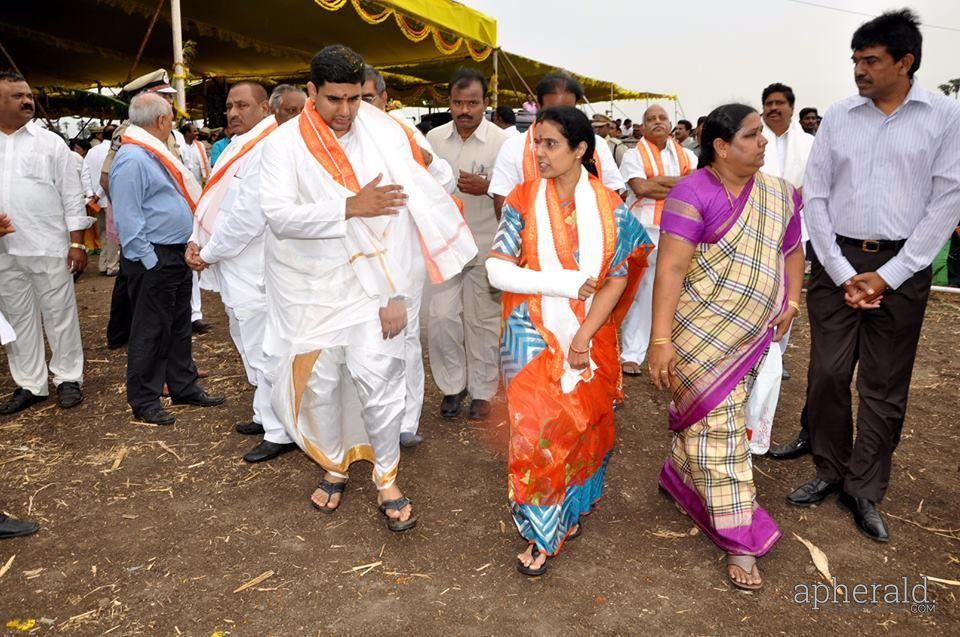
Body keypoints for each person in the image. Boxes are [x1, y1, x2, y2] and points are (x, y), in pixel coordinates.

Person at [259, 45, 476, 531]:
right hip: (310, 289)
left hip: (377, 291)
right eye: (334, 99)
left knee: (378, 379)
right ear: (312, 92)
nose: (346, 112)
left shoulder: (385, 134)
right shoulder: (283, 145)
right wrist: (349, 207)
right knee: (320, 385)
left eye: (355, 99)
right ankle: (334, 465)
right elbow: (277, 217)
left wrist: (395, 293)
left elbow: (402, 220)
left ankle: (386, 478)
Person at [787, 10, 960, 543]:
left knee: (884, 386)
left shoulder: (944, 116)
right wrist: (842, 272)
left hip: (903, 269)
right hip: (838, 262)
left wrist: (889, 275)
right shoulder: (839, 116)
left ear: (905, 62)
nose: (859, 70)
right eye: (856, 60)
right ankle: (829, 472)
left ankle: (864, 489)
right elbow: (814, 196)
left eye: (871, 60)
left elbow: (946, 199)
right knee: (828, 376)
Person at [487, 106, 652, 576]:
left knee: (582, 428)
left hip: (589, 332)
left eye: (551, 143)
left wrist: (582, 337)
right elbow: (496, 269)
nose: (538, 152)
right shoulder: (521, 198)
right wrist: (561, 283)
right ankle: (541, 530)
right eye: (536, 142)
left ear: (580, 148)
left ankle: (567, 510)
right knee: (535, 431)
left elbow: (617, 280)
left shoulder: (611, 208)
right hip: (527, 330)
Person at [649, 103, 804, 591]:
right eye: (752, 135)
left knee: (713, 419)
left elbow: (792, 249)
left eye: (763, 135)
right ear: (720, 146)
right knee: (720, 429)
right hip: (699, 331)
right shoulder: (692, 193)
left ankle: (680, 476)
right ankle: (740, 535)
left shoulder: (779, 195)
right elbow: (671, 269)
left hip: (754, 331)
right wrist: (659, 340)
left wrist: (793, 300)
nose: (763, 142)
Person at [185, 82, 292, 462]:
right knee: (246, 340)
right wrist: (197, 241)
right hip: (233, 263)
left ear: (265, 107)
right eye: (230, 106)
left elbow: (247, 216)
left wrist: (208, 252)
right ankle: (266, 414)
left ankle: (282, 430)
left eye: (243, 105)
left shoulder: (267, 146)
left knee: (264, 347)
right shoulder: (238, 144)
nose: (233, 113)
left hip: (254, 264)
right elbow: (217, 203)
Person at [109, 93, 225, 425]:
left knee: (178, 324)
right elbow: (128, 221)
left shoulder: (152, 153)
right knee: (150, 329)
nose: (172, 124)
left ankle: (183, 385)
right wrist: (150, 261)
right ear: (162, 121)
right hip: (153, 256)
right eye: (170, 119)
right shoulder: (133, 158)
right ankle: (144, 399)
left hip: (173, 252)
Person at [363, 65, 456, 446]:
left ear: (385, 100)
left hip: (403, 253)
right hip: (357, 255)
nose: (360, 108)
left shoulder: (402, 132)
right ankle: (368, 420)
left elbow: (446, 179)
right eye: (354, 99)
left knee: (402, 336)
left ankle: (405, 421)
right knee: (363, 338)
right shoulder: (333, 135)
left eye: (367, 98)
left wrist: (426, 161)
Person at [0, 71, 92, 415]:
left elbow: (72, 196)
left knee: (60, 315)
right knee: (17, 318)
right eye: (17, 96)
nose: (27, 101)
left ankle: (68, 378)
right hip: (4, 251)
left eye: (28, 95)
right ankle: (29, 384)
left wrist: (78, 244)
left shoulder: (49, 142)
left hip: (49, 245)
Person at [426, 68, 510, 422]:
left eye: (472, 103)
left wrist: (488, 186)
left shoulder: (504, 141)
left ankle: (482, 391)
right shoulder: (432, 139)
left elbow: (515, 191)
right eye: (458, 103)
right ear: (449, 102)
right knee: (441, 318)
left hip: (485, 243)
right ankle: (451, 386)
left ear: (486, 103)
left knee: (483, 321)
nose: (465, 110)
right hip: (444, 246)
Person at [748, 82, 816, 456]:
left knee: (788, 294)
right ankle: (750, 354)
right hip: (756, 227)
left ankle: (773, 353)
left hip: (796, 228)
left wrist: (794, 200)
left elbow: (817, 180)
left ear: (792, 107)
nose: (774, 108)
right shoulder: (755, 139)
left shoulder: (809, 144)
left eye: (780, 103)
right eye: (768, 104)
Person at [617, 104, 697, 376]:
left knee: (678, 289)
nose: (657, 122)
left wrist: (660, 182)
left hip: (680, 230)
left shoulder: (686, 153)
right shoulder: (633, 154)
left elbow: (695, 187)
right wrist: (680, 184)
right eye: (651, 119)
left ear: (671, 123)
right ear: (643, 126)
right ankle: (632, 353)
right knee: (642, 290)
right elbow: (641, 187)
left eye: (662, 117)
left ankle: (672, 350)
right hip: (644, 230)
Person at [490, 72, 626, 219]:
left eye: (568, 110)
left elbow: (613, 194)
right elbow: (503, 207)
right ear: (538, 106)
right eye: (552, 111)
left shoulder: (597, 144)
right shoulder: (514, 147)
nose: (560, 118)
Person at [83, 124, 120, 275]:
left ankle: (103, 264)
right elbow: (108, 176)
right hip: (109, 197)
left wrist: (91, 194)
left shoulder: (92, 151)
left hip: (96, 200)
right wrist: (98, 193)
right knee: (112, 233)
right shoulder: (114, 152)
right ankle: (112, 266)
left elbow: (85, 174)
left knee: (103, 232)